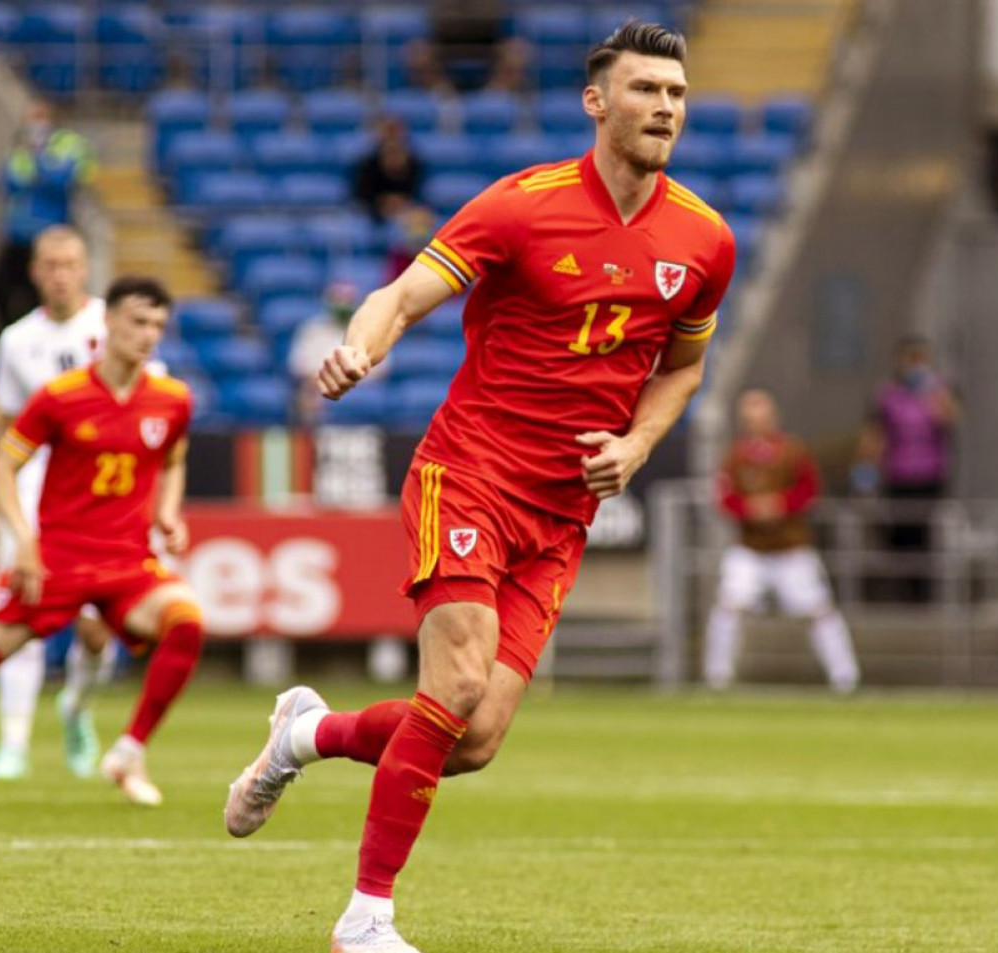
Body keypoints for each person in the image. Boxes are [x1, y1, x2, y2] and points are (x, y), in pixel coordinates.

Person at [224, 23, 735, 952]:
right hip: (470, 473)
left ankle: (306, 734)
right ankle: (366, 917)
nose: (665, 107)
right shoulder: (520, 206)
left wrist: (637, 443)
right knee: (456, 682)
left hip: (563, 511)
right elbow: (400, 296)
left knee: (475, 738)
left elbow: (683, 369)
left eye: (676, 93)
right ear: (596, 102)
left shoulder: (705, 239)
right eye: (645, 89)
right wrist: (359, 350)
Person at [0, 276, 200, 810]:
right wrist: (22, 539)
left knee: (187, 621)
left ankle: (129, 752)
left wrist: (168, 510)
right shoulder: (60, 397)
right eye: (138, 321)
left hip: (127, 561)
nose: (148, 335)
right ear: (107, 321)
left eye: (158, 325)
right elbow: (4, 465)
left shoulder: (173, 400)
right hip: (56, 561)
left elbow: (174, 459)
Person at [0, 226, 118, 782]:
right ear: (35, 272)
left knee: (97, 628)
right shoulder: (16, 340)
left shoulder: (112, 326)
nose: (60, 275)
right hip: (32, 492)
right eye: (50, 265)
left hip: (99, 494)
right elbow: (4, 425)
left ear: (85, 269)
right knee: (25, 611)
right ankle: (13, 743)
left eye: (69, 264)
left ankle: (76, 709)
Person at [702, 389, 859, 693]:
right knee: (727, 607)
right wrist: (750, 509)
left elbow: (809, 490)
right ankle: (716, 679)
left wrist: (780, 505)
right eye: (750, 417)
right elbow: (724, 497)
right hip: (750, 547)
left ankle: (845, 678)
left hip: (791, 547)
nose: (756, 422)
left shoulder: (794, 451)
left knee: (819, 610)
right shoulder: (735, 456)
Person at [855, 335, 961, 601]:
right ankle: (902, 593)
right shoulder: (887, 395)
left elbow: (952, 418)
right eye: (911, 359)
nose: (916, 365)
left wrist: (934, 395)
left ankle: (926, 596)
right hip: (898, 477)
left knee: (927, 537)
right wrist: (865, 473)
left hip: (930, 478)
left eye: (921, 359)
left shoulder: (939, 392)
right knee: (899, 536)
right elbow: (874, 435)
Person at [0, 102, 97, 325]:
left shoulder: (66, 144)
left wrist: (40, 160)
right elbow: (9, 182)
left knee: (47, 290)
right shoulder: (20, 150)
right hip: (19, 238)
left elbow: (63, 180)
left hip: (50, 236)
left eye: (39, 119)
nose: (35, 126)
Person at [288, 281, 390, 424]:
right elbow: (300, 367)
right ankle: (313, 431)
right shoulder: (312, 330)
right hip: (321, 387)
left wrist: (347, 381)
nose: (343, 304)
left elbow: (381, 369)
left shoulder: (369, 328)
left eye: (347, 299)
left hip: (360, 387)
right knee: (308, 395)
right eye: (338, 299)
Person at [353, 118, 426, 223]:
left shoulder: (415, 164)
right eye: (388, 133)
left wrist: (401, 202)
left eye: (395, 132)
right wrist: (382, 202)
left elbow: (418, 192)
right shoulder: (367, 164)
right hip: (371, 213)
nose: (392, 137)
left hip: (406, 211)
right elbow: (360, 194)